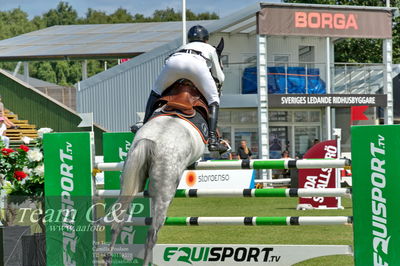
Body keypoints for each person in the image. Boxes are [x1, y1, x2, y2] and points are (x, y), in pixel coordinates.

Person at [131, 25, 226, 152]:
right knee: (213, 100)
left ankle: (144, 124)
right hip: (197, 65)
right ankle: (213, 139)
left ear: (189, 39)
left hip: (173, 63)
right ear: (206, 39)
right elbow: (219, 76)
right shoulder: (210, 48)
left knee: (156, 92)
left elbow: (166, 61)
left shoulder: (182, 47)